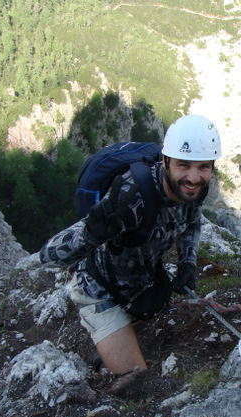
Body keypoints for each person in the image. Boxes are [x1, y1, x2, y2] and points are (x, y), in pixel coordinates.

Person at [39, 114, 220, 382]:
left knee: (155, 302)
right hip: (99, 290)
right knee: (137, 381)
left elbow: (192, 223)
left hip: (143, 282)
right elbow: (48, 255)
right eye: (184, 165)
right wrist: (90, 234)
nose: (193, 177)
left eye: (203, 167)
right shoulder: (131, 196)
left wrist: (187, 264)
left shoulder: (193, 191)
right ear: (166, 160)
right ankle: (107, 343)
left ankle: (123, 332)